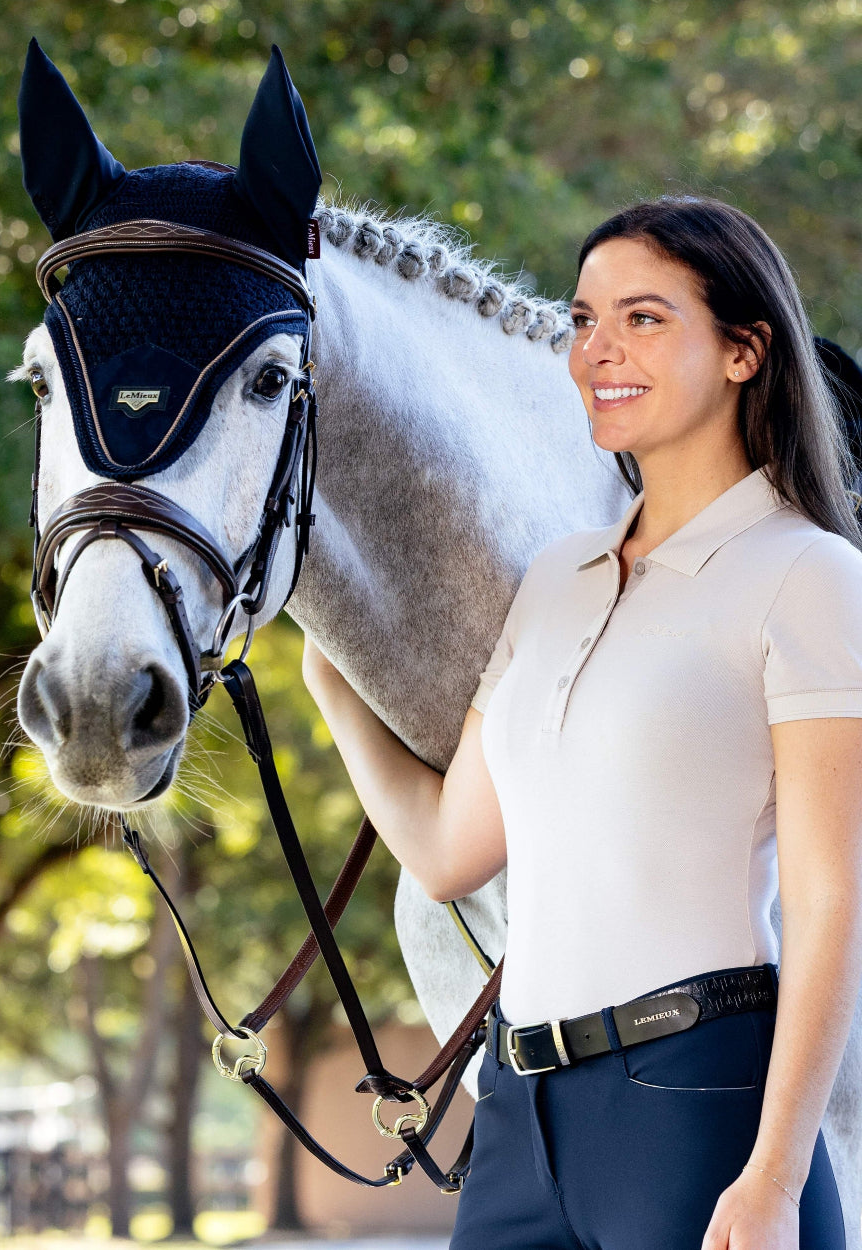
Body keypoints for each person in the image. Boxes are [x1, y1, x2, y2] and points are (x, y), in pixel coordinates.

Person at [302, 196, 862, 1250]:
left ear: (746, 351)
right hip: (517, 1109)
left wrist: (776, 1173)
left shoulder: (811, 577)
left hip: (697, 1097)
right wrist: (333, 685)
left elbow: (832, 900)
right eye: (581, 319)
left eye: (642, 319)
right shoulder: (555, 579)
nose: (596, 351)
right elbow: (446, 850)